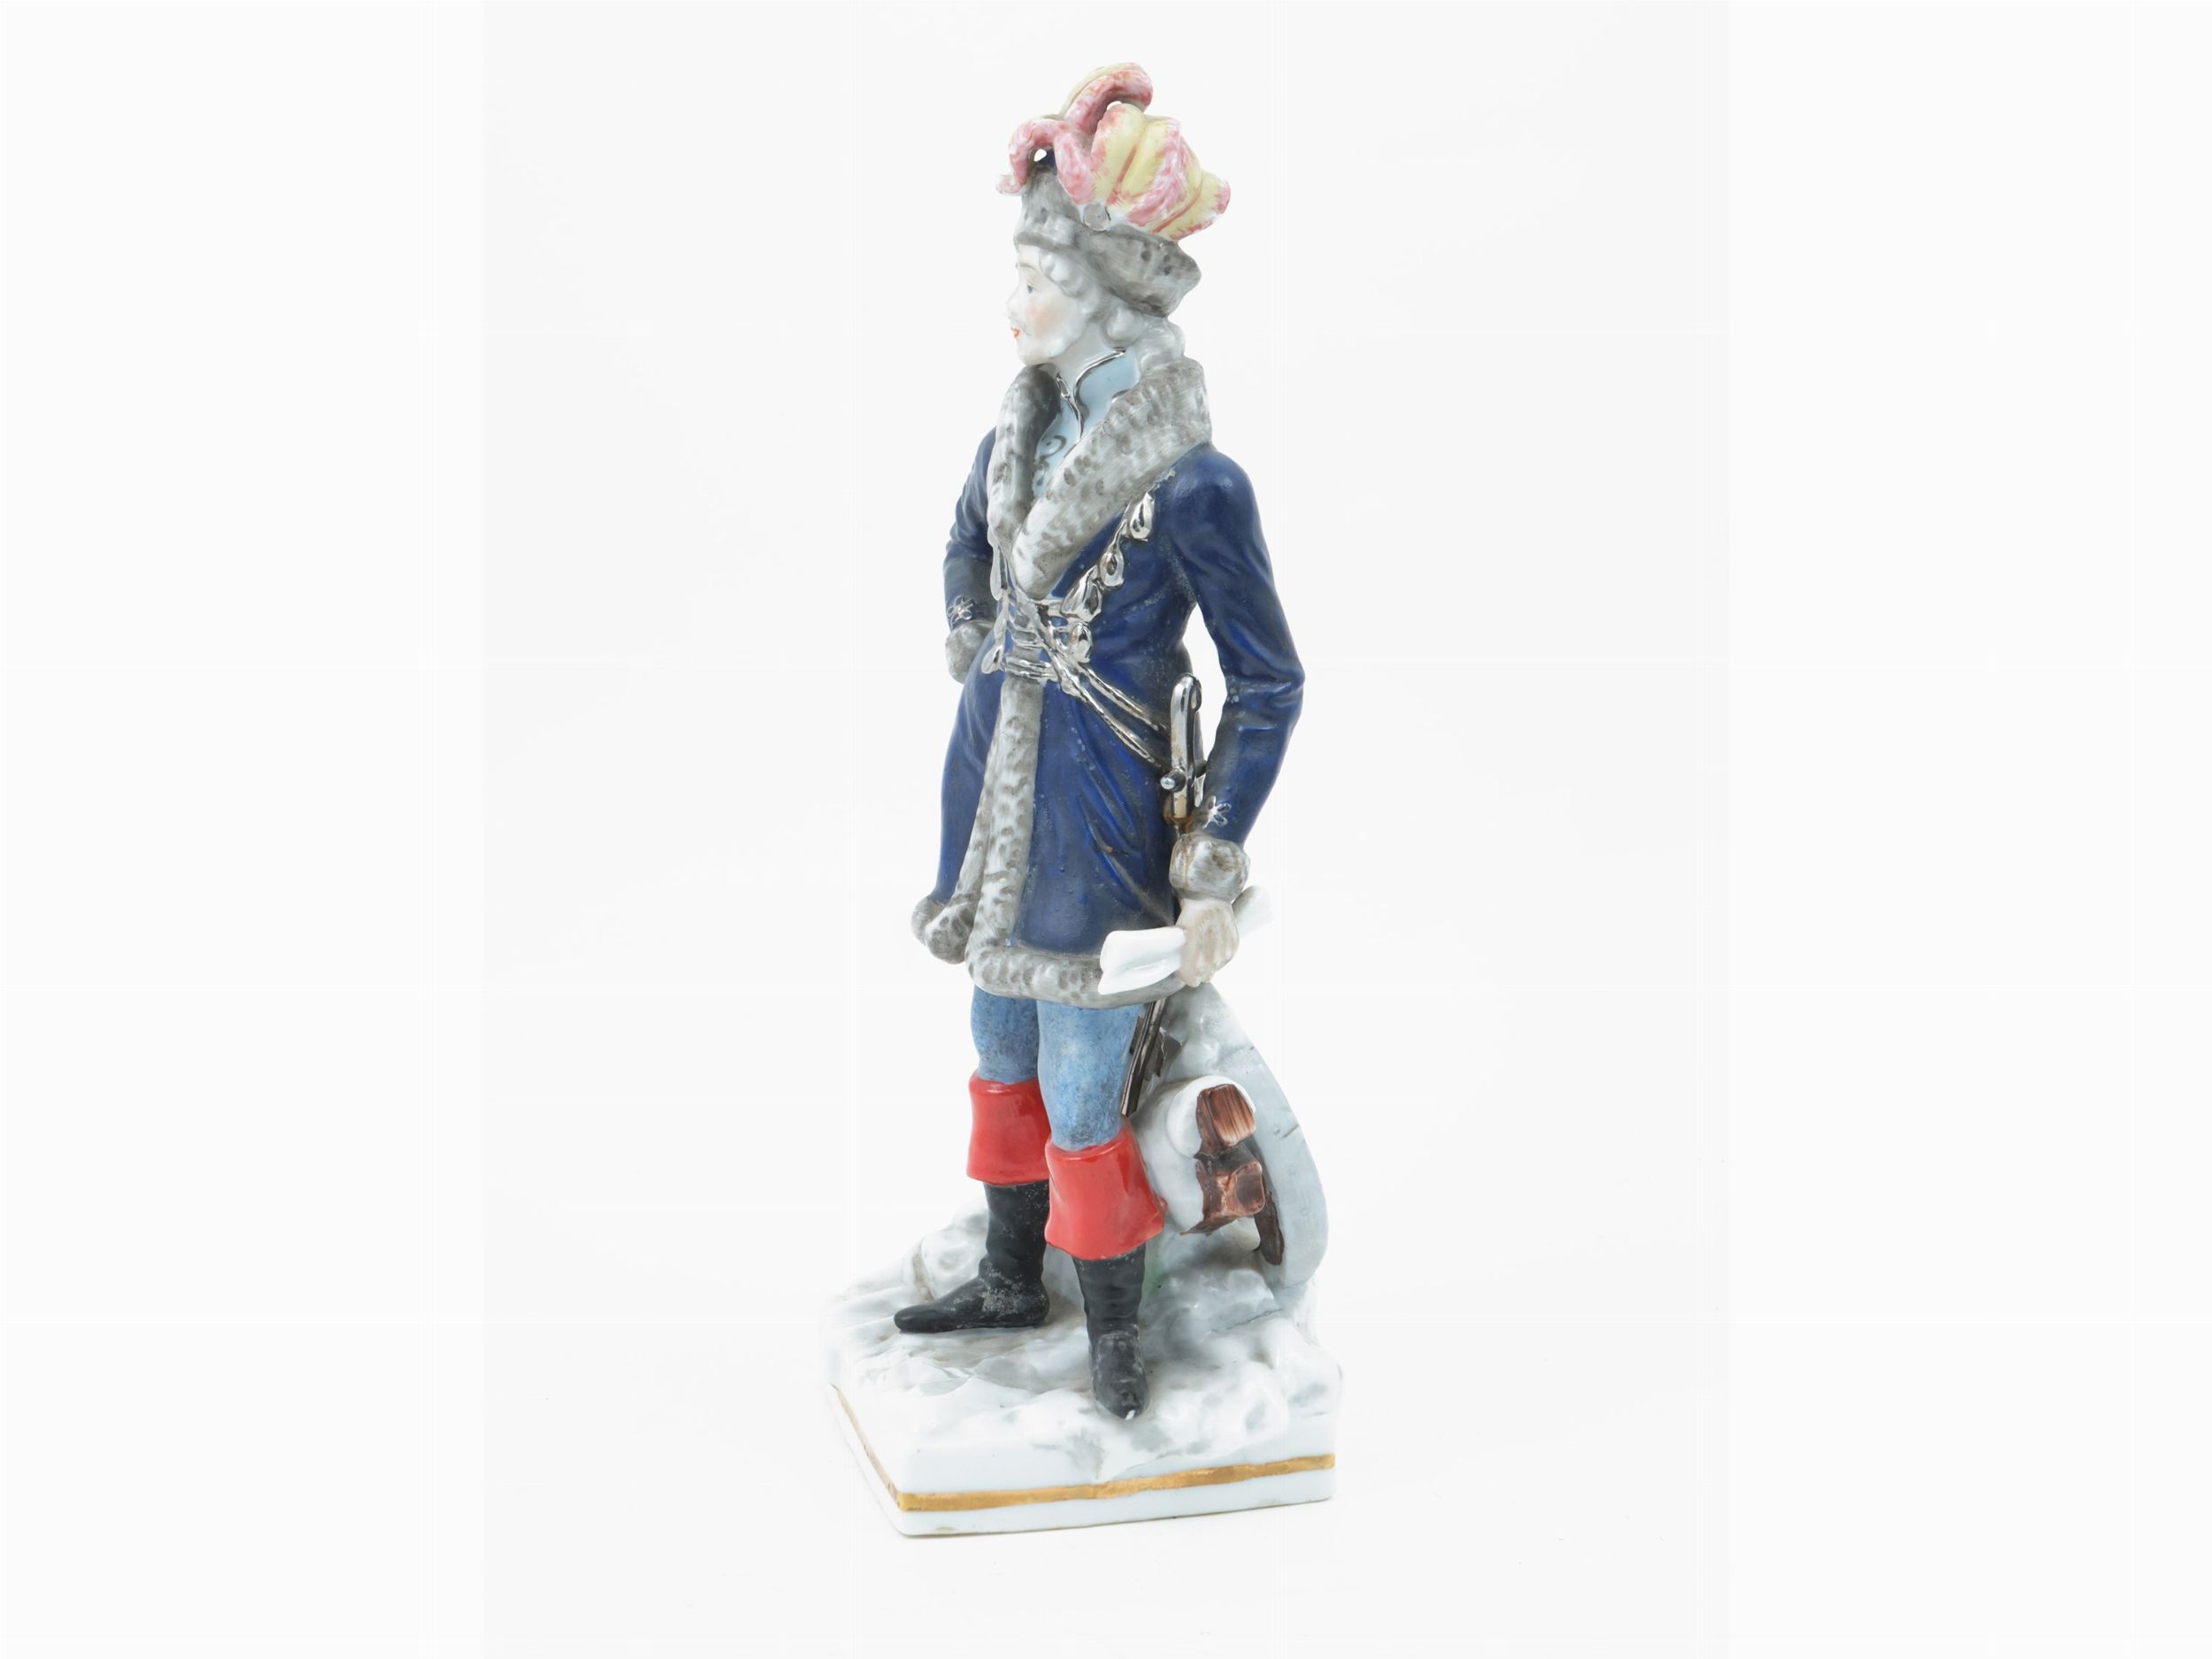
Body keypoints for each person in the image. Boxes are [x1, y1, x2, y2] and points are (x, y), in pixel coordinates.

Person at [898, 65, 1302, 1420]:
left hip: (1099, 825)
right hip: (991, 810)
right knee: (997, 1053)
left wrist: (1215, 859)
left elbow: (1267, 682)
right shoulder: (1014, 439)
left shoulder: (1196, 484)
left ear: (1103, 293)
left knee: (1082, 1092)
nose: (1012, 301)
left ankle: (1116, 1332)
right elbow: (963, 542)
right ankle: (1012, 1277)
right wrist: (976, 637)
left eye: (1033, 276)